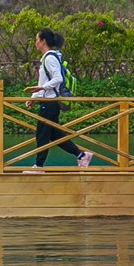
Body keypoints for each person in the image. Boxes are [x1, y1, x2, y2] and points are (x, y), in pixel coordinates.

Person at [24, 28, 91, 172]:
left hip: (50, 103)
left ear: (43, 41)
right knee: (55, 135)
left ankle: (38, 166)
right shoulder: (48, 58)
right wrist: (34, 97)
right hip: (47, 101)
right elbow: (45, 80)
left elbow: (58, 79)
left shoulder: (50, 58)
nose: (35, 43)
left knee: (42, 134)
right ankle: (81, 155)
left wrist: (41, 89)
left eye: (37, 40)